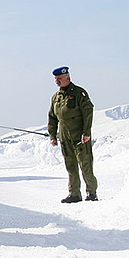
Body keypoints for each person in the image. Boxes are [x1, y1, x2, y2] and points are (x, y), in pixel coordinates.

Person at [47, 65, 98, 203]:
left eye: (59, 78)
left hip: (80, 135)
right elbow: (52, 117)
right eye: (55, 79)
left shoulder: (79, 93)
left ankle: (92, 193)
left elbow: (88, 112)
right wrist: (53, 135)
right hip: (64, 136)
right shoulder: (56, 97)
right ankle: (74, 194)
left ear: (67, 77)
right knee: (70, 166)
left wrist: (86, 132)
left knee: (85, 164)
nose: (57, 81)